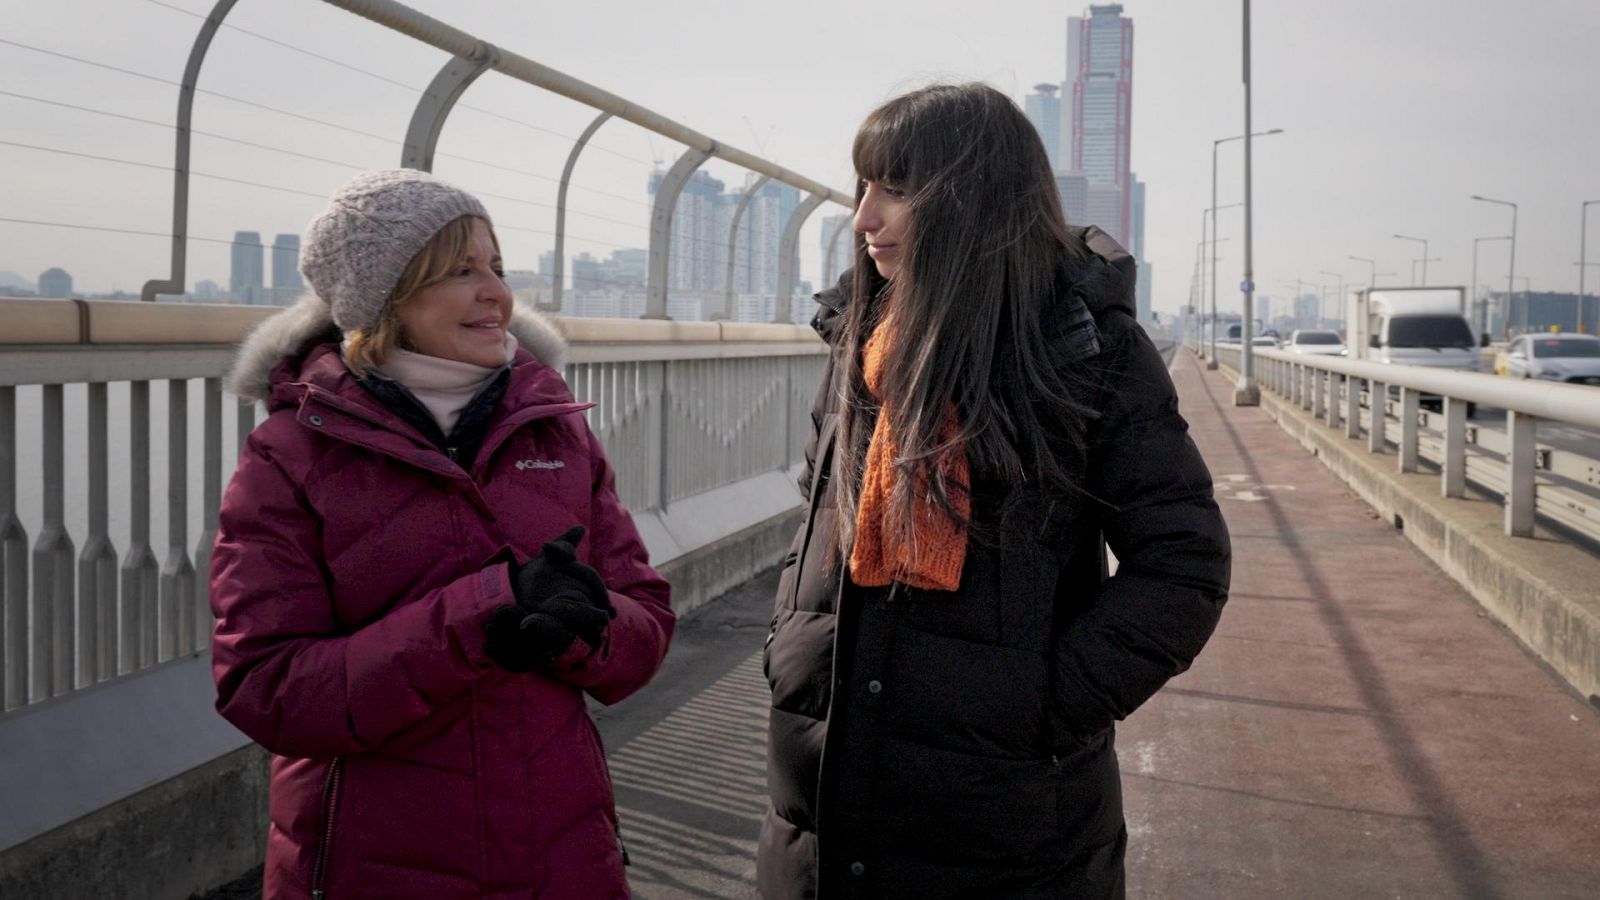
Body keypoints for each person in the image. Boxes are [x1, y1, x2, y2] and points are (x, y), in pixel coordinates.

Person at [758, 84, 1231, 899]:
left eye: (894, 190)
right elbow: (818, 514)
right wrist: (791, 645)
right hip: (824, 811)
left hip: (1012, 829)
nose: (864, 219)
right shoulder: (859, 339)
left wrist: (1044, 705)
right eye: (861, 188)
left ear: (974, 198)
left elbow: (1183, 564)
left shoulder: (1083, 347)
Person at [210, 169, 674, 899]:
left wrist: (584, 626)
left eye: (495, 265)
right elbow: (266, 689)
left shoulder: (555, 430)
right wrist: (480, 616)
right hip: (371, 864)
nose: (497, 292)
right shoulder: (292, 454)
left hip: (562, 859)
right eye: (461, 270)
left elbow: (645, 625)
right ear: (383, 295)